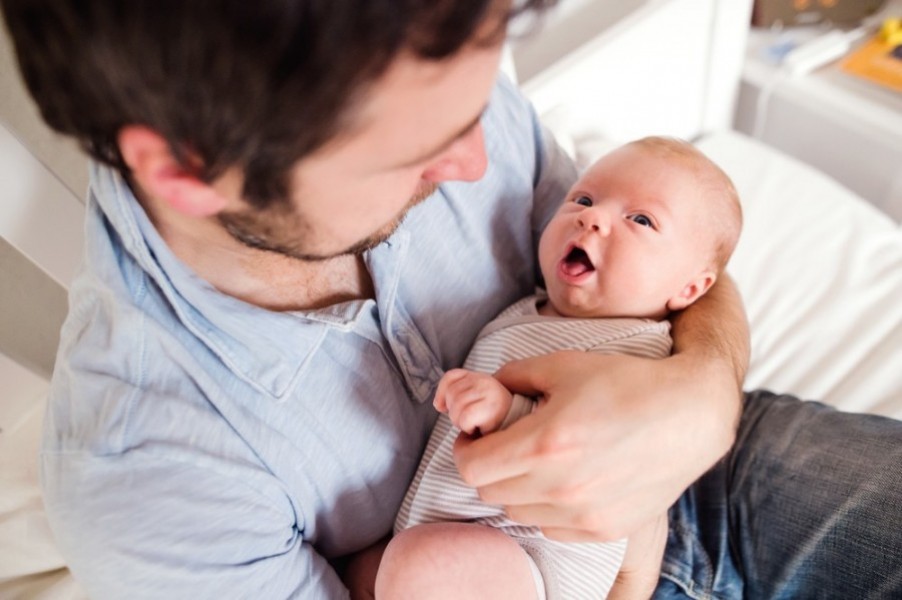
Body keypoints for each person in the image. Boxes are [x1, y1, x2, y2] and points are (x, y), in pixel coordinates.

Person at [1, 1, 899, 598]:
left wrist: (703, 391)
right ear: (190, 169)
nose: (477, 164)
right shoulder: (146, 477)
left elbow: (664, 265)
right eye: (419, 153)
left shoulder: (410, 62)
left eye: (479, 108)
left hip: (708, 468)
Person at [379, 137, 743, 600]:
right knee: (388, 569)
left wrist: (504, 412)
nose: (592, 217)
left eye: (641, 220)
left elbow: (590, 437)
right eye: (584, 199)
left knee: (422, 565)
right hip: (460, 530)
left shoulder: (636, 348)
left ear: (691, 288)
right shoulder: (530, 308)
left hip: (535, 556)